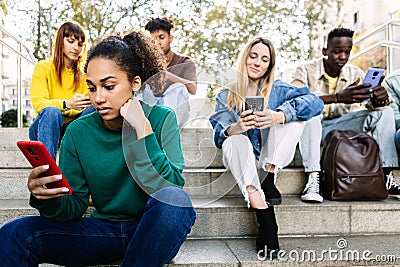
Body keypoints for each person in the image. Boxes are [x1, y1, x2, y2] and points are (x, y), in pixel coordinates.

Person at [0, 31, 196, 266]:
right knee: (14, 234)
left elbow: (170, 187)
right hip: (102, 232)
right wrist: (45, 197)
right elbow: (74, 207)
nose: (99, 98)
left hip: (151, 232)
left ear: (135, 83)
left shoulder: (162, 119)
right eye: (92, 88)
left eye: (109, 86)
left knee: (176, 200)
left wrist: (143, 130)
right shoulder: (78, 132)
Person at [209, 37, 324, 258]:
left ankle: (269, 177)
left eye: (264, 59)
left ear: (269, 65)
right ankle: (265, 216)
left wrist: (279, 115)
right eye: (253, 56)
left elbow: (315, 103)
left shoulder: (280, 89)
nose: (257, 63)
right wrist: (237, 127)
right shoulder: (226, 95)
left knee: (295, 117)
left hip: (270, 157)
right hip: (242, 157)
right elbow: (218, 135)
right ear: (244, 58)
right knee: (235, 139)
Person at [291, 27, 400, 203]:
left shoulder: (354, 73)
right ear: (325, 51)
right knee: (310, 113)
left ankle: (388, 175)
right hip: (309, 129)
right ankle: (313, 178)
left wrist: (379, 100)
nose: (342, 56)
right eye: (337, 52)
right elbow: (295, 102)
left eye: (347, 52)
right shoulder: (304, 71)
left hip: (338, 130)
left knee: (385, 112)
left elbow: (367, 106)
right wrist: (337, 98)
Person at [29, 21, 94, 161]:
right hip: (44, 128)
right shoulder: (43, 67)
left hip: (71, 130)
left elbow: (86, 106)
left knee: (96, 107)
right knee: (52, 111)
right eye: (71, 41)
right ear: (60, 41)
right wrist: (67, 104)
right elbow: (39, 104)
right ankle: (48, 169)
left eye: (80, 44)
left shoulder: (85, 74)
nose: (76, 48)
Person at [137, 17, 197, 127]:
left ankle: (166, 131)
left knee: (179, 87)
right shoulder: (144, 64)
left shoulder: (184, 62)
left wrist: (167, 75)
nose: (158, 42)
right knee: (140, 88)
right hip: (151, 110)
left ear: (171, 38)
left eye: (161, 37)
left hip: (176, 113)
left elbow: (193, 88)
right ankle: (140, 129)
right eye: (153, 39)